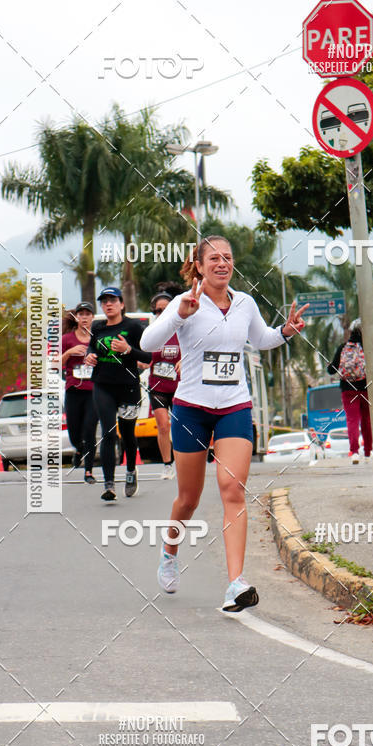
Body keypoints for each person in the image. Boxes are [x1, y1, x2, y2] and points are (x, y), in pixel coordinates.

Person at [140, 235, 308, 611]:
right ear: (198, 265)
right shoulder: (186, 303)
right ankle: (170, 551)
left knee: (232, 488)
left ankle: (235, 582)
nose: (222, 263)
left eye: (227, 258)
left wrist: (286, 331)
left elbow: (260, 338)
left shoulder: (245, 303)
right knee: (188, 499)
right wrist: (179, 314)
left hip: (234, 406)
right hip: (191, 408)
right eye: (213, 258)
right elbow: (150, 343)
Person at [84, 287, 152, 501]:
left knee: (128, 434)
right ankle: (109, 484)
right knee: (108, 432)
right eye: (104, 301)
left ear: (122, 304)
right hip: (102, 385)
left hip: (128, 386)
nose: (108, 304)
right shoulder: (97, 326)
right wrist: (90, 357)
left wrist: (128, 350)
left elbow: (148, 357)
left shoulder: (134, 327)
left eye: (112, 300)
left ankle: (131, 471)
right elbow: (91, 349)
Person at [148, 286, 184, 480]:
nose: (161, 313)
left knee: (179, 426)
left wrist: (184, 359)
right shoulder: (152, 332)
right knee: (162, 425)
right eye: (158, 310)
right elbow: (144, 355)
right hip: (157, 387)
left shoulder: (182, 329)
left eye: (165, 309)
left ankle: (184, 462)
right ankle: (167, 465)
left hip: (180, 387)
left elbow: (196, 349)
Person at [61, 302, 98, 483]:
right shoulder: (67, 339)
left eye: (87, 314)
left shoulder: (97, 338)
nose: (84, 317)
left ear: (93, 317)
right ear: (76, 317)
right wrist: (69, 352)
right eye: (81, 314)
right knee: (75, 432)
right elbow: (55, 364)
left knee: (89, 429)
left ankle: (89, 471)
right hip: (73, 390)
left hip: (94, 391)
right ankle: (78, 448)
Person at [327, 322, 372, 465]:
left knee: (352, 421)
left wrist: (330, 365)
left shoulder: (342, 348)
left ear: (350, 331)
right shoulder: (367, 348)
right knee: (366, 421)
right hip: (366, 388)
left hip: (348, 389)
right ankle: (368, 453)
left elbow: (331, 370)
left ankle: (354, 452)